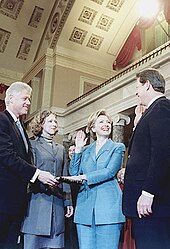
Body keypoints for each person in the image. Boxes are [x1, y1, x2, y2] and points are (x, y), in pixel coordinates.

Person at [0, 82, 57, 249]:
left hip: (15, 202)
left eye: (29, 99)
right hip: (3, 200)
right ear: (10, 99)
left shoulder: (20, 127)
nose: (28, 103)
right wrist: (37, 174)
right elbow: (7, 156)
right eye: (25, 98)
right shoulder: (2, 121)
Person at [64, 109, 126, 249]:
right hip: (85, 209)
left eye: (108, 122)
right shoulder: (85, 150)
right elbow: (74, 173)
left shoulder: (117, 147)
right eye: (101, 121)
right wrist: (78, 150)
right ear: (92, 127)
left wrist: (85, 177)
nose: (106, 124)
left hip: (108, 208)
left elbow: (109, 171)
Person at [123, 68, 170, 249]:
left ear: (147, 84)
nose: (136, 92)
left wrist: (148, 192)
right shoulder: (152, 111)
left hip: (153, 204)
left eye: (137, 86)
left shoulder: (162, 108)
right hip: (148, 205)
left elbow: (163, 152)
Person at [21, 110, 73, 249]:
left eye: (55, 121)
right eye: (50, 121)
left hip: (56, 205)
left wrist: (68, 201)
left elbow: (65, 177)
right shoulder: (31, 145)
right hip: (37, 204)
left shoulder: (61, 148)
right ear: (41, 124)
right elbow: (28, 173)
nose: (54, 124)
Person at [65, 144, 79, 249]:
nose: (72, 152)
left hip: (79, 199)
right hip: (68, 199)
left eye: (74, 150)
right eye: (70, 150)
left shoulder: (81, 165)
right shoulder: (65, 165)